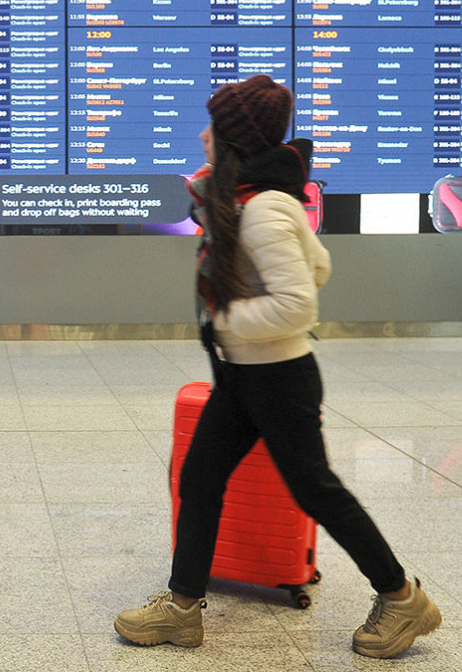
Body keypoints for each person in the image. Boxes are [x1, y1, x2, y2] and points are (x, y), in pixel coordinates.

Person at [113, 75, 441, 659]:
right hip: (245, 376)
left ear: (233, 139)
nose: (201, 136)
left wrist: (227, 322)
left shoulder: (261, 210)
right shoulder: (256, 202)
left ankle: (400, 597)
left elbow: (299, 302)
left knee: (317, 491)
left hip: (278, 379)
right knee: (201, 479)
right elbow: (319, 264)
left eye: (211, 127)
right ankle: (182, 608)